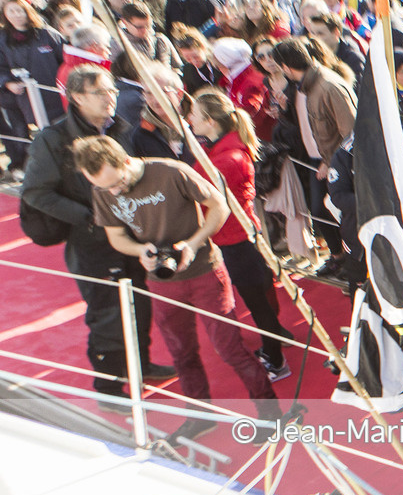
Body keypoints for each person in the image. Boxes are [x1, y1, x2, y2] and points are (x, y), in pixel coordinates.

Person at [77, 136, 280, 438]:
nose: (113, 192)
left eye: (117, 183)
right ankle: (200, 417)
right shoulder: (103, 190)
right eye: (104, 187)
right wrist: (140, 250)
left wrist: (193, 244)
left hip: (205, 273)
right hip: (162, 283)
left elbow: (220, 206)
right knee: (182, 354)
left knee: (230, 349)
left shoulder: (171, 171)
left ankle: (271, 415)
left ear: (127, 162)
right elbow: (116, 236)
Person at [21, 67, 171, 398]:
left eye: (112, 91)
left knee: (138, 302)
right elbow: (35, 192)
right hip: (90, 241)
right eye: (101, 92)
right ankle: (109, 387)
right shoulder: (53, 139)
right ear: (76, 97)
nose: (110, 98)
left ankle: (140, 365)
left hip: (131, 233)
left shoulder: (119, 127)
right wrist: (90, 217)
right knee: (107, 312)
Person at [185, 88, 292, 382]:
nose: (190, 118)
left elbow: (200, 193)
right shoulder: (222, 149)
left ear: (210, 121)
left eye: (194, 114)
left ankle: (276, 360)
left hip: (237, 241)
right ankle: (273, 347)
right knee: (260, 299)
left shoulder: (227, 159)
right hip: (238, 237)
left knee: (258, 303)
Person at [271, 38, 354, 274]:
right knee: (319, 211)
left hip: (339, 162)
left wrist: (330, 163)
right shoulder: (302, 87)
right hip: (317, 159)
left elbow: (351, 132)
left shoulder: (328, 86)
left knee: (342, 212)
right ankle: (338, 257)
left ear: (286, 67)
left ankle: (354, 261)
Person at [1, 0, 64, 180]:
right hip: (23, 97)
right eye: (11, 11)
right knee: (29, 132)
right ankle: (30, 167)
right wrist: (7, 83)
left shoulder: (46, 34)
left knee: (60, 128)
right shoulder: (3, 39)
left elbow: (64, 59)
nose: (16, 15)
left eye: (19, 10)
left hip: (53, 93)